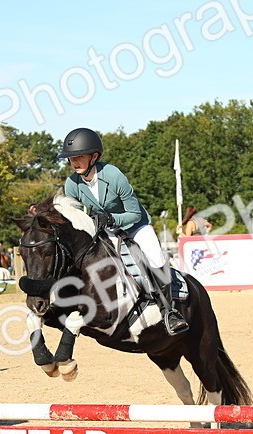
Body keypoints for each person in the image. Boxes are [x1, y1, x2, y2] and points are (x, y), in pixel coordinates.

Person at [60, 127, 189, 335]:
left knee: (155, 259)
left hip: (134, 225)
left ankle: (170, 312)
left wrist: (111, 219)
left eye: (79, 156)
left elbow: (134, 213)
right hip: (104, 230)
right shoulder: (72, 184)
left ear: (94, 156)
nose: (73, 162)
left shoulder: (113, 175)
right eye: (70, 158)